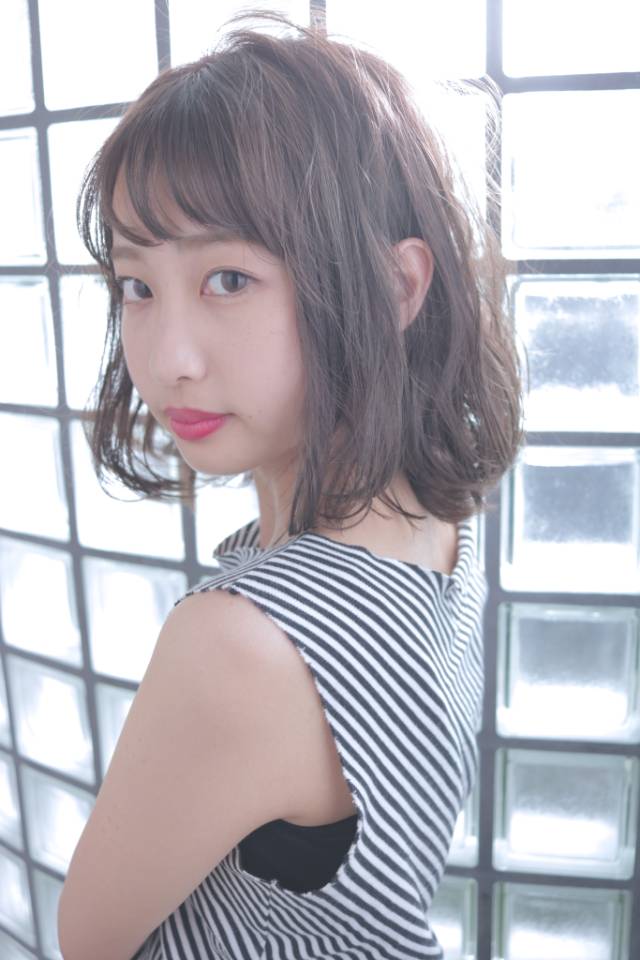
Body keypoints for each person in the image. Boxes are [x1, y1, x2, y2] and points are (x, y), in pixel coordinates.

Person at [58, 8, 524, 960]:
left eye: (228, 279)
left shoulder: (242, 643)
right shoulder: (441, 523)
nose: (169, 359)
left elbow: (89, 941)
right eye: (137, 285)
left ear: (396, 288)